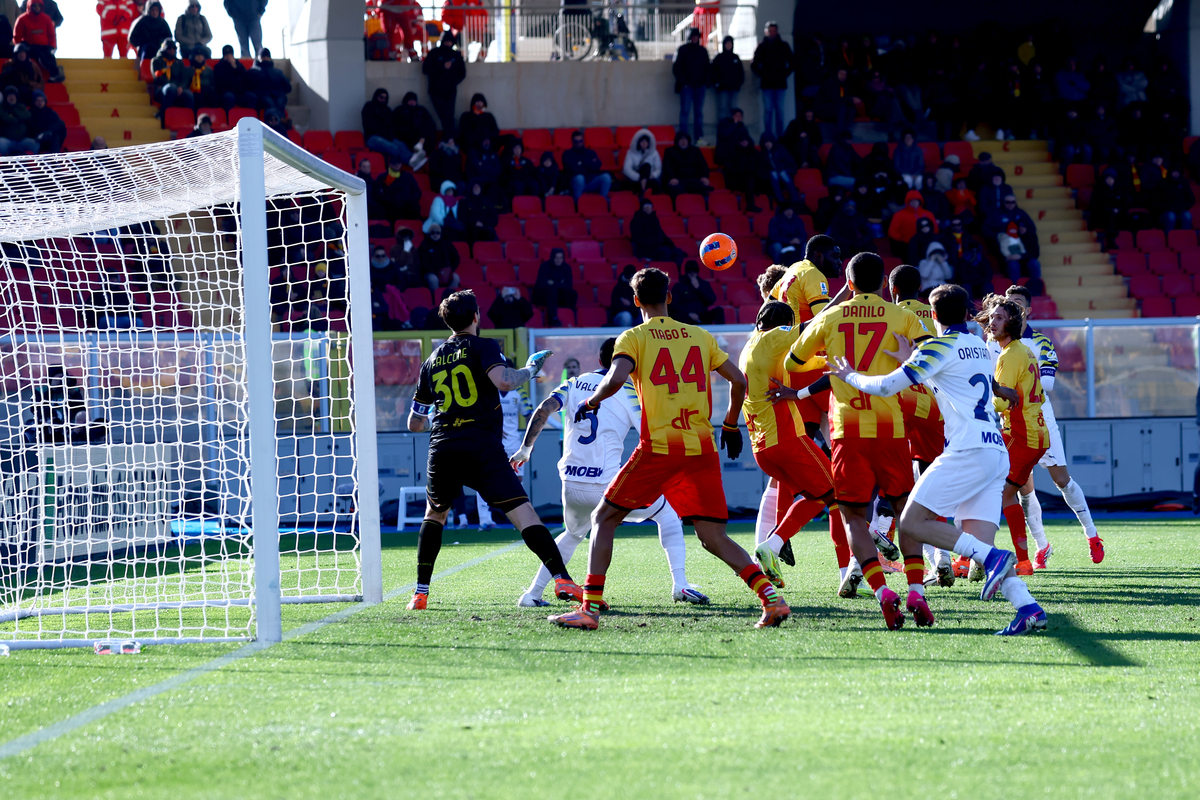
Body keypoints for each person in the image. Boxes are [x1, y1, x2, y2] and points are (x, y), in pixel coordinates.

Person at [548, 268, 791, 630]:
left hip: (660, 447)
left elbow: (615, 379)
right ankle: (772, 600)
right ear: (670, 297)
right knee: (712, 536)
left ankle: (590, 609)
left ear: (635, 301)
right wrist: (729, 424)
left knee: (603, 519)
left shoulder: (633, 337)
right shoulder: (699, 336)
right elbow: (738, 381)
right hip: (701, 449)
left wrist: (593, 401)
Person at [829, 283, 1049, 635]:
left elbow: (886, 387)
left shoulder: (938, 346)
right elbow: (955, 383)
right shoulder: (980, 345)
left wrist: (848, 376)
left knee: (912, 523)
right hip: (995, 451)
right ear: (967, 314)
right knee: (979, 544)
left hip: (968, 450)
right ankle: (1028, 608)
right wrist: (910, 359)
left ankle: (994, 561)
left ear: (933, 317)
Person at [786, 252, 933, 630]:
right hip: (892, 429)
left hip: (846, 430)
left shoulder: (831, 317)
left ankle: (883, 592)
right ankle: (915, 588)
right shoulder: (902, 315)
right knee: (904, 510)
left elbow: (792, 363)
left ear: (848, 283)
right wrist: (907, 357)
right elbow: (933, 354)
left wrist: (830, 361)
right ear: (884, 283)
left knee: (853, 515)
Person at [405, 291, 575, 609]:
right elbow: (505, 381)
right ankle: (562, 579)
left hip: (443, 447)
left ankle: (420, 594)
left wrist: (442, 419)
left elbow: (414, 422)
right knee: (523, 513)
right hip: (481, 446)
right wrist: (530, 371)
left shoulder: (431, 359)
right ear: (476, 317)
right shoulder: (484, 346)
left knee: (435, 514)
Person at [512, 337, 709, 607]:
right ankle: (681, 585)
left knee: (572, 535)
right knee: (668, 515)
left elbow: (544, 408)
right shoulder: (627, 390)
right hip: (606, 485)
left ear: (600, 360)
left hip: (571, 482)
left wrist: (525, 449)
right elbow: (649, 435)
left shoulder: (573, 383)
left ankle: (532, 594)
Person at [997, 285, 1104, 568]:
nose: (1012, 308)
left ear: (1028, 310)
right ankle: (1042, 547)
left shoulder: (1041, 342)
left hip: (1040, 421)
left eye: (1018, 304)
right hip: (1010, 423)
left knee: (1062, 481)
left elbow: (1048, 384)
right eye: (1008, 304)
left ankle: (1092, 536)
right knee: (1021, 489)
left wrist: (1008, 387)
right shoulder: (994, 342)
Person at [743, 301, 844, 590]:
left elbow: (808, 361)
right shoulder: (775, 337)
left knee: (818, 497)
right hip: (786, 439)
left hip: (762, 447)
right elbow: (815, 324)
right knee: (838, 494)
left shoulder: (751, 347)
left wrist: (829, 361)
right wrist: (846, 303)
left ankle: (772, 544)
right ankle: (849, 573)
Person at [886, 265, 952, 585]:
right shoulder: (937, 314)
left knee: (892, 482)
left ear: (894, 290)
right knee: (929, 483)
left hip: (899, 402)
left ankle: (872, 535)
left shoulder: (890, 314)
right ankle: (942, 557)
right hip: (937, 407)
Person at [983, 194, 1041, 286]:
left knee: (1034, 263)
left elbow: (1035, 252)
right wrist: (999, 236)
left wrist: (1021, 256)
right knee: (1013, 265)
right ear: (1003, 203)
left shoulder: (1022, 216)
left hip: (1024, 257)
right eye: (1008, 202)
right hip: (1006, 257)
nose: (1010, 204)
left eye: (1013, 202)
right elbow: (986, 231)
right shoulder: (996, 215)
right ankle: (1015, 290)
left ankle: (1036, 289)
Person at [751, 20, 793, 139]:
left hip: (780, 84)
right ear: (766, 32)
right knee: (768, 111)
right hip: (767, 84)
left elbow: (792, 62)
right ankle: (768, 136)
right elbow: (754, 65)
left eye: (774, 31)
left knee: (780, 111)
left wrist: (784, 74)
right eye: (770, 31)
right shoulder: (762, 46)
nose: (772, 33)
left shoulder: (783, 46)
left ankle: (780, 136)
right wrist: (763, 75)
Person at [362, 88, 423, 169]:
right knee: (392, 147)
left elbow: (391, 126)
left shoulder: (387, 110)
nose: (383, 99)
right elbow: (369, 125)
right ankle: (410, 163)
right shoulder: (369, 107)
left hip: (386, 137)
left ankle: (413, 159)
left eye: (385, 98)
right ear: (376, 97)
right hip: (372, 137)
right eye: (381, 97)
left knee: (401, 145)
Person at [422, 32, 465, 136]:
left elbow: (462, 73)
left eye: (450, 41)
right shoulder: (434, 53)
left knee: (449, 116)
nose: (448, 44)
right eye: (446, 41)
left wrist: (452, 82)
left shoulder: (456, 55)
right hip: (436, 90)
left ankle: (449, 139)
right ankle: (449, 139)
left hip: (450, 91)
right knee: (443, 115)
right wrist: (442, 67)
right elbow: (425, 69)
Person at [673, 27, 709, 144]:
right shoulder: (682, 50)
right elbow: (677, 68)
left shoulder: (703, 51)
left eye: (696, 36)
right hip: (687, 88)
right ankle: (683, 139)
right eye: (693, 36)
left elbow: (707, 68)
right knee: (685, 112)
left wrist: (704, 83)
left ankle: (699, 138)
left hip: (699, 87)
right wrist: (684, 84)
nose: (694, 38)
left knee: (698, 114)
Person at [629, 198, 685, 265]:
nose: (648, 209)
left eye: (650, 207)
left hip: (659, 246)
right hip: (646, 249)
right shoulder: (636, 221)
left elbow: (661, 234)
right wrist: (654, 243)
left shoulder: (654, 219)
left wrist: (671, 245)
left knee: (678, 252)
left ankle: (677, 272)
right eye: (646, 207)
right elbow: (638, 239)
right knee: (665, 252)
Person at [13, 0, 57, 81]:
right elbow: (17, 36)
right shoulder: (22, 19)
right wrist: (20, 49)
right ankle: (54, 73)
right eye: (34, 6)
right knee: (40, 55)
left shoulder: (46, 19)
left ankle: (55, 75)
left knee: (49, 57)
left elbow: (51, 35)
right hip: (29, 47)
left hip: (44, 47)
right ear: (30, 6)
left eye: (39, 6)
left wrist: (52, 47)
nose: (37, 8)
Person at [562, 129, 611, 201]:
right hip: (576, 183)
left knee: (606, 177)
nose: (578, 143)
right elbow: (572, 169)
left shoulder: (590, 152)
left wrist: (581, 163)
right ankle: (577, 203)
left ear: (583, 141)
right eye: (576, 141)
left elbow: (598, 165)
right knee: (580, 178)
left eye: (580, 141)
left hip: (591, 181)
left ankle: (603, 201)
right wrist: (589, 164)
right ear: (572, 142)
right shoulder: (567, 154)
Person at [724, 133, 768, 212]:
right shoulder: (733, 153)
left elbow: (760, 166)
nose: (744, 142)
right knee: (749, 178)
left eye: (745, 140)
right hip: (737, 180)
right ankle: (750, 205)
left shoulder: (753, 152)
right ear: (738, 142)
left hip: (753, 178)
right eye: (741, 141)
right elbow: (730, 169)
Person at [670, 260, 724, 325]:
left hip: (702, 315)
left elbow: (711, 300)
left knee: (719, 311)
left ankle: (719, 334)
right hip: (686, 317)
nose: (692, 273)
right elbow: (674, 305)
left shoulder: (703, 284)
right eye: (690, 271)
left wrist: (699, 288)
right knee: (676, 314)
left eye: (694, 271)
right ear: (686, 272)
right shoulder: (679, 285)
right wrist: (688, 313)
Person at [532, 247, 576, 326]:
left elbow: (569, 285)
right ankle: (553, 319)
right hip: (543, 296)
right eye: (556, 257)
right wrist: (560, 283)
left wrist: (553, 283)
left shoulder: (566, 268)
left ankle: (570, 320)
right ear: (552, 257)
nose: (558, 260)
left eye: (561, 258)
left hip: (560, 296)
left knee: (573, 293)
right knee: (552, 291)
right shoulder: (544, 266)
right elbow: (541, 284)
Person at [661, 131, 710, 199]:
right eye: (681, 139)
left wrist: (704, 176)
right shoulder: (669, 151)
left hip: (693, 179)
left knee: (703, 186)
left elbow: (703, 165)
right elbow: (667, 167)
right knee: (674, 188)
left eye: (685, 139)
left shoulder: (695, 151)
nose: (683, 141)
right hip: (677, 180)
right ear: (677, 141)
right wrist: (671, 178)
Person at [391, 91, 436, 164]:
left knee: (427, 127)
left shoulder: (421, 110)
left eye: (414, 100)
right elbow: (394, 126)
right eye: (410, 100)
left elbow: (429, 124)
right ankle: (414, 159)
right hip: (405, 139)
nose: (412, 102)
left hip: (422, 139)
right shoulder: (399, 110)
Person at [416, 222, 460, 293]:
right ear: (429, 233)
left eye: (437, 233)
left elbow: (456, 258)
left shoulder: (446, 244)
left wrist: (451, 269)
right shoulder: (424, 245)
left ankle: (452, 299)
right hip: (431, 272)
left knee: (456, 277)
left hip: (446, 271)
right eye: (433, 233)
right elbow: (423, 262)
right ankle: (437, 298)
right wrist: (436, 271)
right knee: (433, 279)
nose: (435, 235)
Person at [711, 35, 743, 122]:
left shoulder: (735, 58)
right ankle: (723, 129)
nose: (729, 45)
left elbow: (740, 73)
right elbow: (714, 72)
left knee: (733, 109)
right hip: (723, 89)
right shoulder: (719, 58)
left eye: (730, 44)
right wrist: (717, 84)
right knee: (723, 109)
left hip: (734, 88)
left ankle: (733, 130)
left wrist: (738, 84)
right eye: (727, 44)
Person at [760, 132, 799, 204]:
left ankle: (795, 200)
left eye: (769, 142)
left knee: (784, 175)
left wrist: (782, 171)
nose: (768, 144)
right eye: (765, 142)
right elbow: (762, 169)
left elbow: (791, 164)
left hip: (786, 173)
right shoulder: (762, 154)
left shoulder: (781, 150)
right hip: (771, 178)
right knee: (773, 175)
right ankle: (781, 201)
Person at [247, 47, 289, 112]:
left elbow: (288, 87)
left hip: (277, 94)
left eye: (267, 56)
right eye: (263, 56)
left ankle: (280, 120)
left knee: (280, 102)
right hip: (263, 95)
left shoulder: (277, 72)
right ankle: (275, 120)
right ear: (259, 58)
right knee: (269, 103)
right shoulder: (253, 71)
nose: (265, 58)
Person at [212, 44, 254, 109]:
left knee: (252, 97)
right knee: (229, 97)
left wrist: (235, 67)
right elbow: (220, 83)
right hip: (226, 92)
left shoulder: (239, 65)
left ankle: (250, 117)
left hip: (240, 93)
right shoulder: (219, 67)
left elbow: (245, 79)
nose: (228, 56)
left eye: (230, 54)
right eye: (226, 55)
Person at [621, 127, 661, 194]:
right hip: (636, 179)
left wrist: (653, 175)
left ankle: (643, 190)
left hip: (650, 178)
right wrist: (640, 177)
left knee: (648, 168)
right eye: (642, 142)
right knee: (646, 166)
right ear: (638, 142)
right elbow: (627, 169)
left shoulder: (654, 153)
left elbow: (658, 169)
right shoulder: (631, 153)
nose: (644, 144)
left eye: (646, 142)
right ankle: (644, 189)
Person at [1154, 165, 1195, 231]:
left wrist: (1183, 207)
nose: (1175, 174)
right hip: (1166, 211)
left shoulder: (1184, 183)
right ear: (1170, 172)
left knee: (1187, 216)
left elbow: (1191, 199)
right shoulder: (1163, 183)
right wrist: (1167, 208)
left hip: (1181, 210)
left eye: (1177, 172)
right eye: (1174, 172)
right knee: (1171, 216)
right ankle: (1168, 237)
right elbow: (1156, 200)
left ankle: (1186, 237)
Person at [458, 179, 497, 244]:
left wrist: (483, 223)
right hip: (470, 230)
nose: (476, 188)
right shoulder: (464, 202)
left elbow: (494, 219)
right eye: (474, 187)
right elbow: (461, 217)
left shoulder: (487, 201)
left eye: (478, 187)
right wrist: (474, 222)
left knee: (490, 233)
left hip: (485, 228)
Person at [0, 83, 35, 154]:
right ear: (6, 97)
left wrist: (14, 113)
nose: (11, 97)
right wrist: (18, 118)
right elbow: (6, 119)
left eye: (13, 95)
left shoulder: (21, 106)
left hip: (22, 140)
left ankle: (35, 163)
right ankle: (4, 163)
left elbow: (27, 116)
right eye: (9, 95)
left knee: (34, 143)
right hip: (7, 140)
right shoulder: (2, 108)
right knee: (1, 143)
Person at [25, 87, 61, 152]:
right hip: (35, 137)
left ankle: (54, 158)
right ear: (34, 102)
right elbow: (31, 128)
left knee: (56, 132)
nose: (40, 103)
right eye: (37, 101)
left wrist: (48, 131)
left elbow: (58, 123)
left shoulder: (50, 112)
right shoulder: (30, 113)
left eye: (41, 100)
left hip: (48, 135)